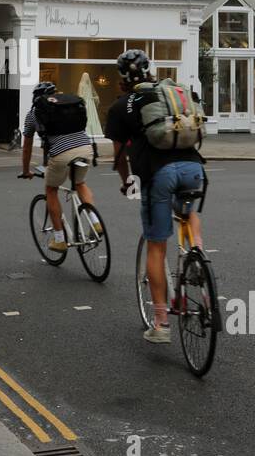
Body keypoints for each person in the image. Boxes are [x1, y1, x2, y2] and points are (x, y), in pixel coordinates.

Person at [106, 49, 204, 344]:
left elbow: (119, 158)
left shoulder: (122, 106)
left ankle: (160, 322)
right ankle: (197, 253)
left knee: (156, 247)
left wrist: (130, 187)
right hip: (193, 167)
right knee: (188, 212)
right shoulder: (168, 94)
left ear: (121, 78)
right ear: (150, 69)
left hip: (156, 174)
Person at [19, 82, 100, 252]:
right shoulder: (69, 105)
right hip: (85, 148)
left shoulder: (33, 113)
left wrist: (26, 170)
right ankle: (95, 221)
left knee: (51, 190)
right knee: (79, 183)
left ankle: (59, 239)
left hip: (61, 153)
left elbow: (26, 147)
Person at [77, 71, 104, 138]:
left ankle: (94, 132)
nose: (87, 78)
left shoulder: (88, 85)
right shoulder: (81, 84)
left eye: (87, 76)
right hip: (86, 102)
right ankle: (86, 132)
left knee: (92, 117)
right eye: (86, 76)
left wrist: (93, 98)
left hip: (90, 103)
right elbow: (80, 95)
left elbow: (92, 94)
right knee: (88, 116)